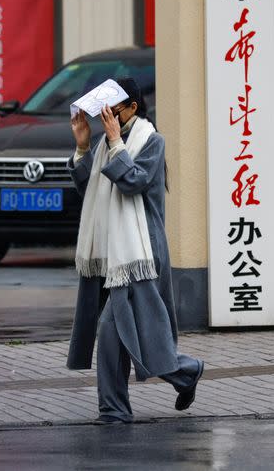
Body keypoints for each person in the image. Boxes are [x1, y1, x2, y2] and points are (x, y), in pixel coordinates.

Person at [66, 77, 204, 424]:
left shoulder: (151, 141)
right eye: (103, 111)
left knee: (113, 328)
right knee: (133, 332)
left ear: (132, 108)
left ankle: (114, 410)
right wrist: (83, 147)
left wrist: (114, 142)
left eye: (113, 109)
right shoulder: (104, 145)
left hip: (141, 253)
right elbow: (90, 192)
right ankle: (185, 372)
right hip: (115, 252)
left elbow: (133, 182)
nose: (107, 117)